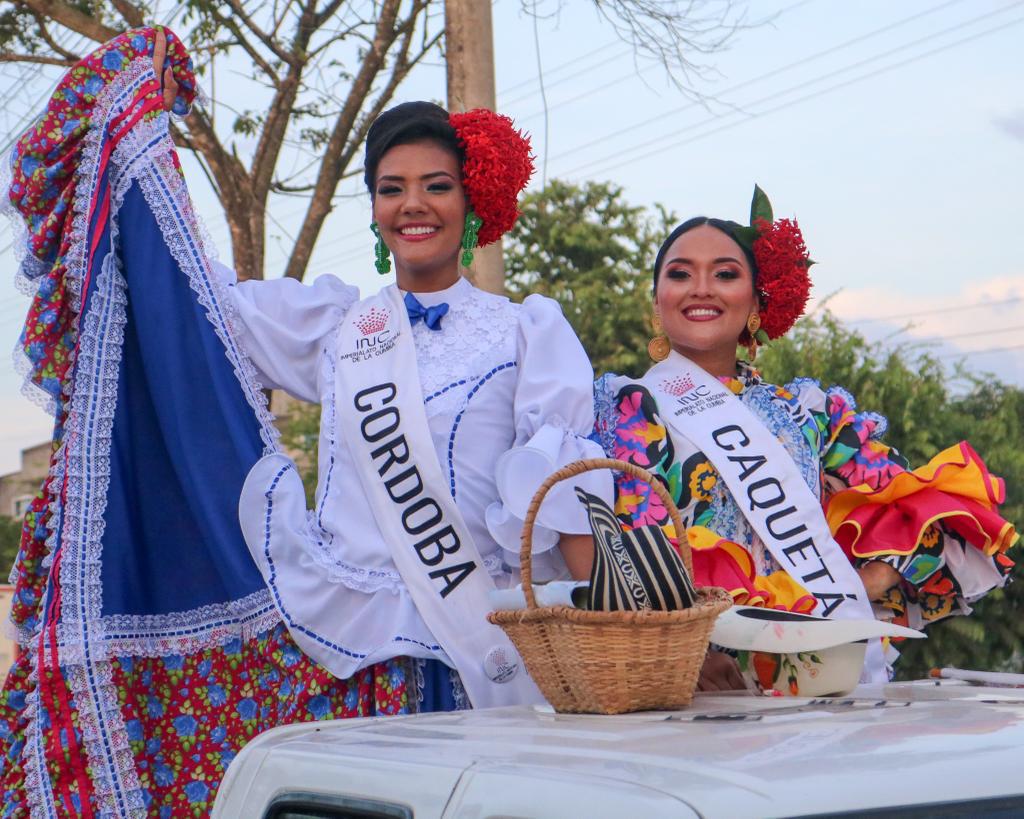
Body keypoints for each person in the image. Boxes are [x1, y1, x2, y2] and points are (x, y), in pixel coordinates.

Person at [0, 27, 607, 816]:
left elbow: (558, 502)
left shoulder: (528, 332)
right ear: (376, 208)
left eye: (436, 184)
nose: (413, 204)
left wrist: (617, 626)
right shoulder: (337, 328)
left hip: (485, 653)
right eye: (392, 188)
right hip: (358, 659)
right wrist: (146, 145)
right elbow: (189, 299)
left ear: (473, 196)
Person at [592, 187, 1018, 689]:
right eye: (679, 273)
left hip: (819, 664)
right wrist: (683, 649)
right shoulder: (630, 409)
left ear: (755, 301)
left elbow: (917, 505)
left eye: (726, 274)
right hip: (693, 675)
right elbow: (621, 545)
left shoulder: (810, 413)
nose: (700, 288)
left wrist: (871, 580)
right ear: (657, 299)